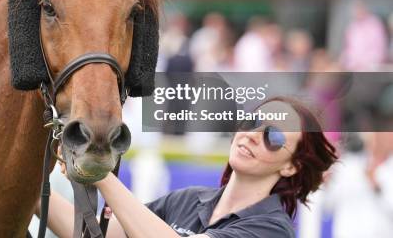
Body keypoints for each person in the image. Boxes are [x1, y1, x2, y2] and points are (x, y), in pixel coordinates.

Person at [36, 97, 338, 237]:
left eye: (273, 136)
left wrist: (100, 173)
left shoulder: (271, 229)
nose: (252, 135)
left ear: (291, 167)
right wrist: (30, 193)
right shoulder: (188, 199)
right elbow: (92, 236)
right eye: (253, 121)